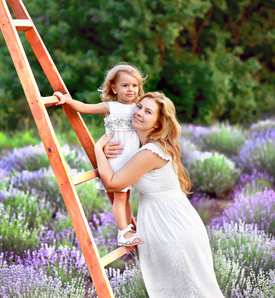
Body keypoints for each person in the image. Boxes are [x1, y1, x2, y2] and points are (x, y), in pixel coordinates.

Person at [95, 92, 224, 297]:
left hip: (171, 227)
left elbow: (112, 184)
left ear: (157, 124)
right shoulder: (146, 147)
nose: (138, 113)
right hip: (174, 219)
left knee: (187, 290)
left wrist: (97, 149)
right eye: (139, 106)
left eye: (148, 112)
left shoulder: (150, 152)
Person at [53, 62, 145, 246]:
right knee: (120, 197)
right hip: (117, 157)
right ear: (114, 88)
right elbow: (84, 108)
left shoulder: (138, 107)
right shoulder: (111, 107)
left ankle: (129, 228)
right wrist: (67, 100)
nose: (130, 90)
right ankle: (123, 233)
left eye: (134, 86)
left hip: (132, 158)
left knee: (126, 197)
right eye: (125, 85)